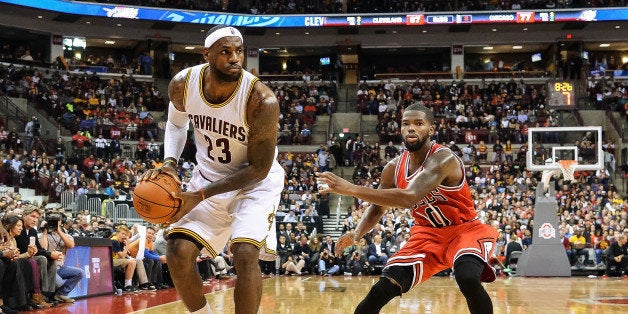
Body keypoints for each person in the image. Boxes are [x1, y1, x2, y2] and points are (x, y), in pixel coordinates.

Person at [141, 25, 284, 314]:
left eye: (239, 51)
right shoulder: (183, 84)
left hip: (255, 184)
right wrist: (169, 163)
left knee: (244, 254)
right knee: (178, 251)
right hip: (209, 175)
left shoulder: (262, 100)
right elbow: (176, 124)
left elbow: (258, 169)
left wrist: (200, 194)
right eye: (226, 51)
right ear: (207, 54)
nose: (235, 58)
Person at [317, 103, 498, 314]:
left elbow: (409, 198)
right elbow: (378, 207)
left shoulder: (444, 158)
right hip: (426, 237)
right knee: (381, 289)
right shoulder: (393, 168)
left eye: (418, 123)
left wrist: (350, 189)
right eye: (405, 124)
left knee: (467, 277)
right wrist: (357, 233)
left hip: (464, 230)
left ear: (431, 129)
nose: (411, 128)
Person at [39, 210, 85, 303]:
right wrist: (44, 232)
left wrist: (59, 231)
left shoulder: (66, 235)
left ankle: (61, 294)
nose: (55, 222)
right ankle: (45, 296)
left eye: (57, 220)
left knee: (80, 273)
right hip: (48, 267)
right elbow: (43, 248)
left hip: (60, 268)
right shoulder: (42, 235)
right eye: (52, 220)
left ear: (61, 222)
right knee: (58, 282)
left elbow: (71, 245)